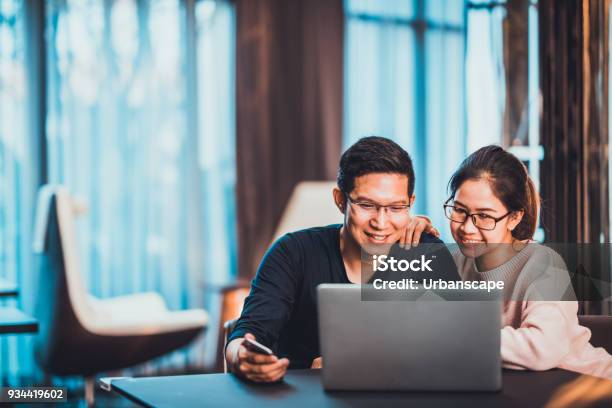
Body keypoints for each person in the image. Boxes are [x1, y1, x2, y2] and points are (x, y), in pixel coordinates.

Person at [225, 136, 458, 383]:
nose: (381, 223)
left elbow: (455, 342)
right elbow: (246, 334)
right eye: (366, 205)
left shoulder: (428, 253)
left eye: (396, 207)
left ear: (410, 204)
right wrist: (242, 355)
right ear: (340, 200)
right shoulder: (292, 253)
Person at [445, 145, 612, 379]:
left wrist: (451, 339)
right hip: (524, 390)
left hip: (587, 385)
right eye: (459, 210)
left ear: (514, 217)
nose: (467, 228)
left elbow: (543, 347)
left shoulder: (543, 264)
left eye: (484, 216)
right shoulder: (454, 260)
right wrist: (412, 232)